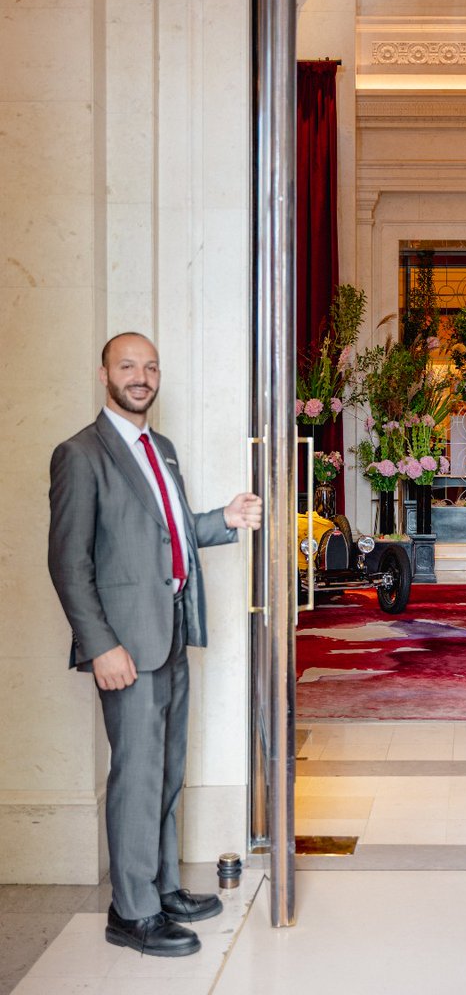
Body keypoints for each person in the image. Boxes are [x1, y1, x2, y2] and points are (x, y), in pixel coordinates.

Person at [48, 332, 262, 958]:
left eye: (150, 366)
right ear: (103, 374)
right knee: (135, 776)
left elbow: (168, 535)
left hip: (170, 630)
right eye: (127, 366)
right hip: (125, 645)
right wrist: (100, 645)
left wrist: (221, 518)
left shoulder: (158, 448)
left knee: (166, 771)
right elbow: (68, 563)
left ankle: (163, 887)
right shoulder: (81, 455)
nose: (140, 376)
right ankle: (131, 912)